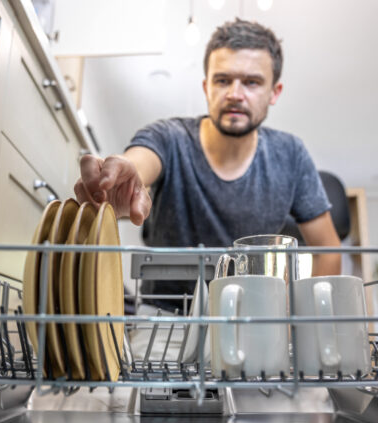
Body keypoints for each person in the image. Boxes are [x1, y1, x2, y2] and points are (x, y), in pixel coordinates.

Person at [75, 19, 341, 309]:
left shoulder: (291, 155)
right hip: (163, 323)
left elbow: (328, 251)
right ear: (206, 87)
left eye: (251, 82)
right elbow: (139, 162)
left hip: (254, 320)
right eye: (222, 80)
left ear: (274, 92)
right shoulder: (168, 137)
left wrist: (298, 323)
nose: (235, 94)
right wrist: (124, 180)